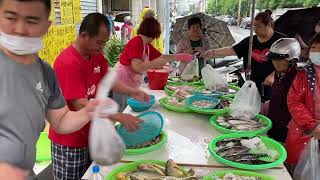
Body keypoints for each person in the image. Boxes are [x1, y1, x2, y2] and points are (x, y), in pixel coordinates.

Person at [0, 0, 112, 179]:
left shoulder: (45, 73)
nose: (20, 29)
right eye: (10, 17)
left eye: (32, 20)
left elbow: (61, 120)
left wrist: (91, 111)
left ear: (46, 26)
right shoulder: (67, 61)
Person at [49, 13, 149, 180]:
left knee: (92, 175)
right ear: (84, 35)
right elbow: (81, 105)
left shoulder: (96, 54)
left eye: (104, 43)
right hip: (70, 142)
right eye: (99, 42)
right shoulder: (67, 63)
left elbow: (109, 81)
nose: (102, 47)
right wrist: (119, 116)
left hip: (92, 135)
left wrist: (132, 91)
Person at [201, 12, 287, 102]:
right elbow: (232, 50)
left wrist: (273, 74)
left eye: (259, 26)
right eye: (254, 26)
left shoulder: (281, 41)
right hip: (251, 85)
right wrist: (213, 52)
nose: (255, 29)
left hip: (273, 87)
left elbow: (288, 62)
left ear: (268, 25)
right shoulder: (250, 41)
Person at [115, 17, 180, 111]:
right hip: (122, 81)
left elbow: (161, 57)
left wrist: (178, 57)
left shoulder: (146, 45)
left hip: (131, 81)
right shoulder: (137, 42)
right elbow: (137, 67)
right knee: (125, 110)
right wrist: (154, 63)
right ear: (154, 32)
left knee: (130, 109)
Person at [285, 33, 320, 173]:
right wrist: (313, 125)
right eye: (314, 47)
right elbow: (294, 101)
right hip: (303, 132)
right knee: (300, 171)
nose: (316, 51)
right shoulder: (304, 74)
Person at [265, 38, 301, 143]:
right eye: (273, 59)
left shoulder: (299, 78)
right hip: (272, 122)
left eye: (279, 59)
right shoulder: (279, 73)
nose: (275, 63)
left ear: (292, 60)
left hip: (286, 129)